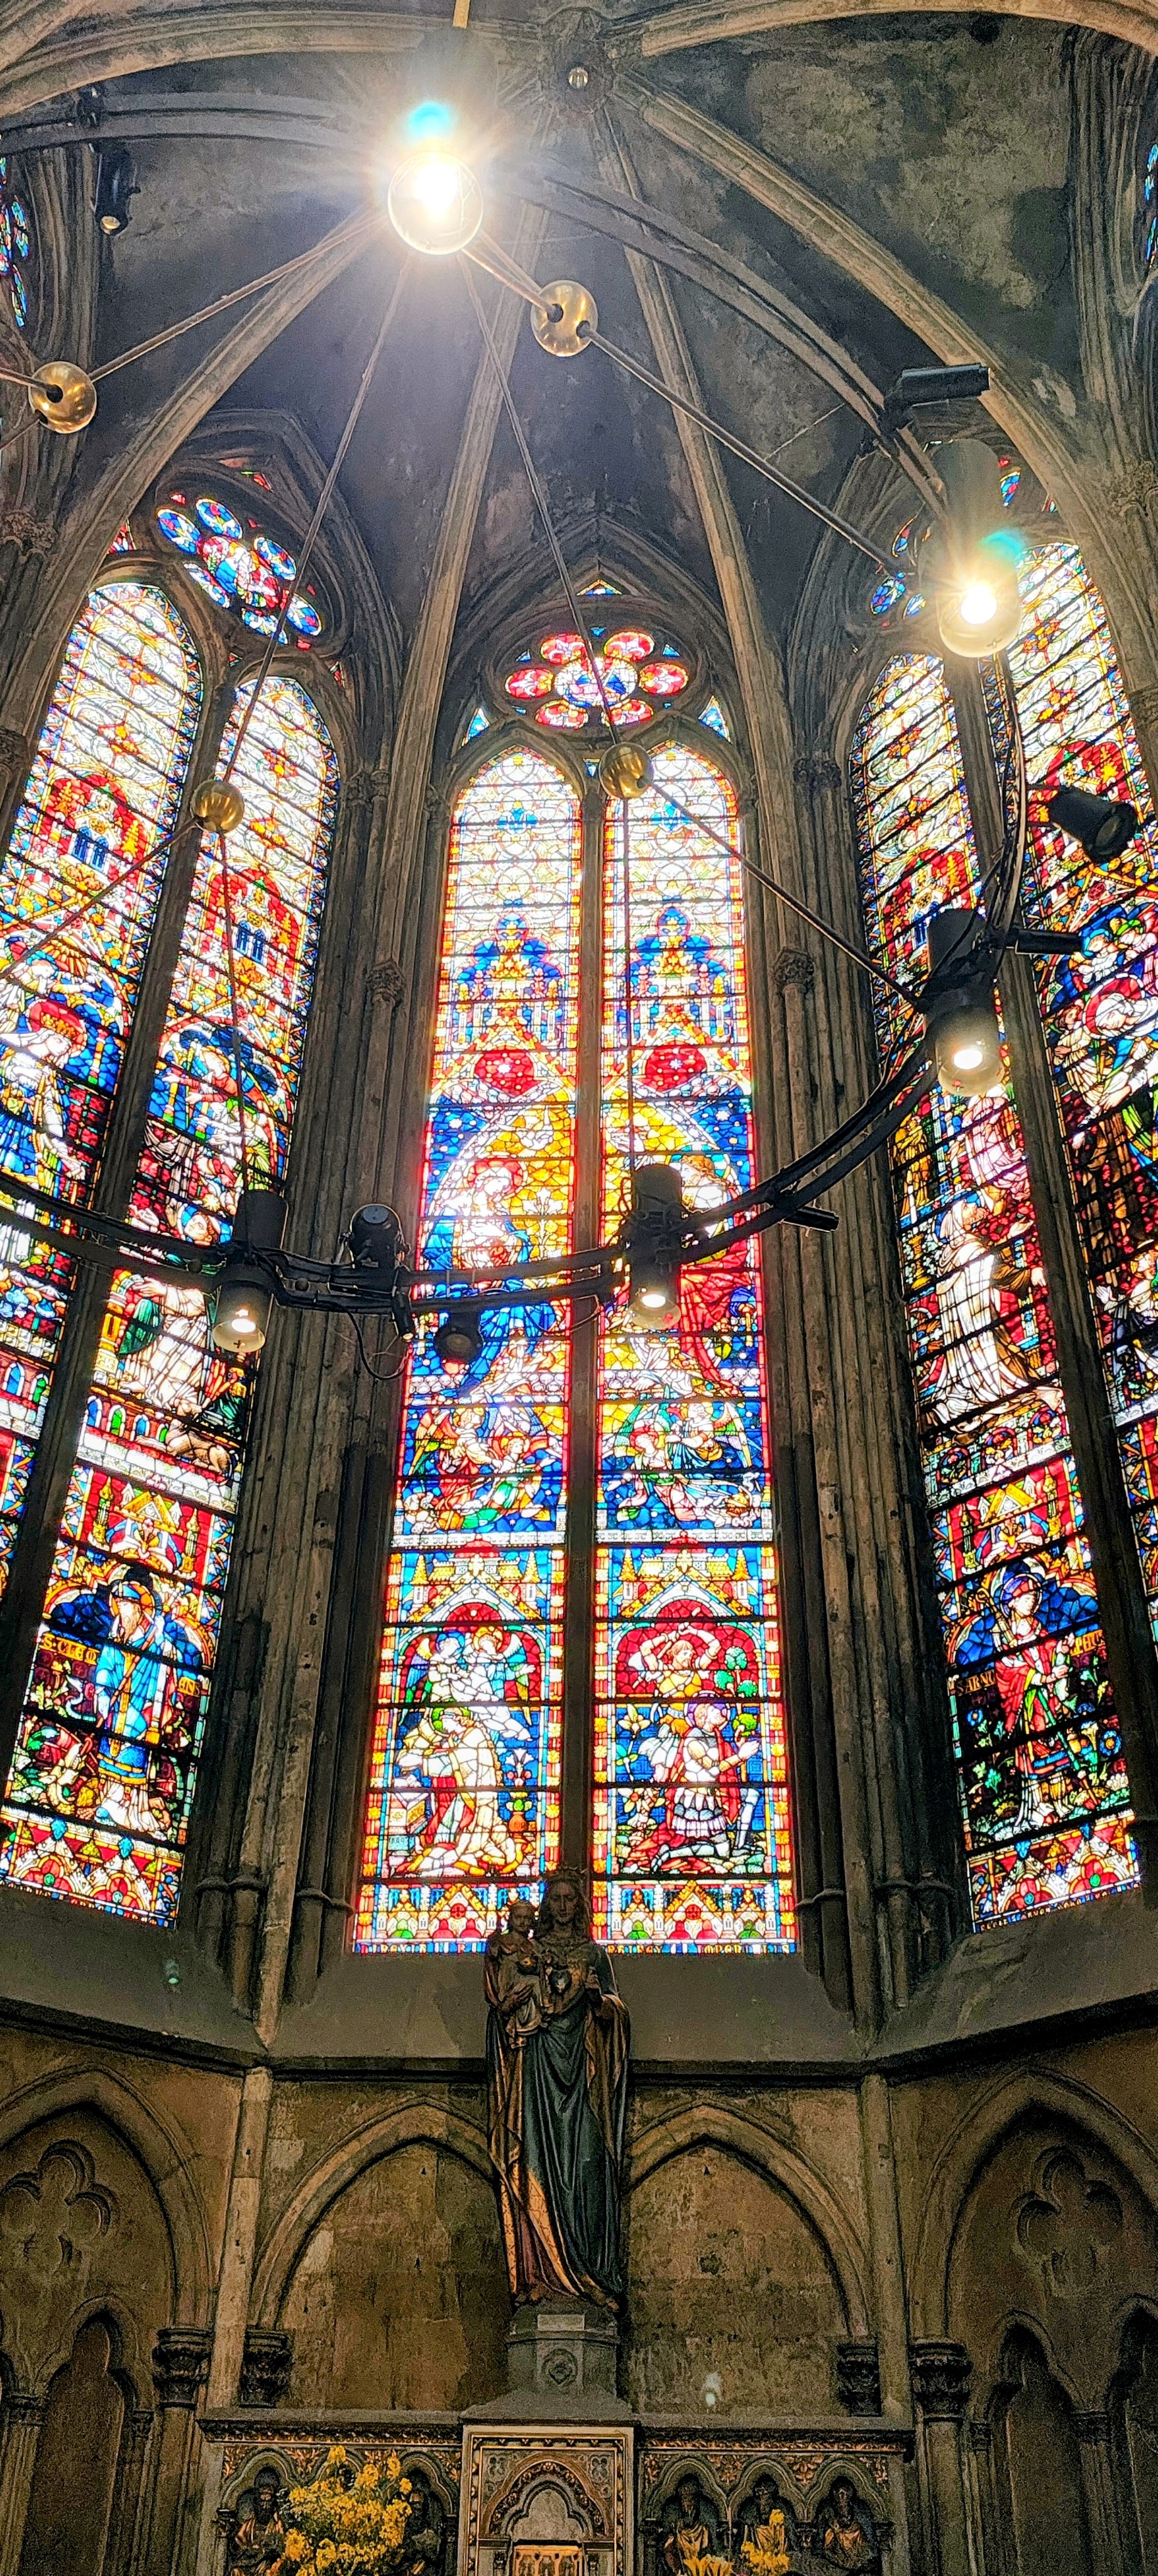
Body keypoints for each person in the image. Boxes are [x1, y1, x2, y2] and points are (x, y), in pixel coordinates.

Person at [486, 1867, 629, 2307]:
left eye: (571, 1898)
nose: (564, 1906)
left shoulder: (594, 1953)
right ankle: (540, 2277)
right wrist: (505, 2007)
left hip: (583, 2071)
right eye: (557, 1899)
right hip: (538, 2067)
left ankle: (588, 2276)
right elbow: (504, 2003)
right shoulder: (528, 1949)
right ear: (545, 1907)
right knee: (536, 2163)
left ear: (580, 1905)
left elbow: (616, 2011)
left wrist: (595, 2000)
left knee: (588, 2164)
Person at [226, 2466, 289, 2574]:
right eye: (263, 2495)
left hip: (268, 2565)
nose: (265, 2499)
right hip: (249, 2563)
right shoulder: (249, 2525)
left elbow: (283, 2548)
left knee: (267, 2567)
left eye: (269, 2495)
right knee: (236, 2571)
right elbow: (238, 2545)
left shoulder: (278, 2524)